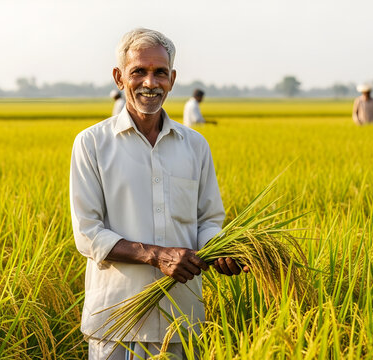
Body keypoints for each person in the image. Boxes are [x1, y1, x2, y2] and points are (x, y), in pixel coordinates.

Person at [70, 28, 247, 360]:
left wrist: (220, 249)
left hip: (182, 320)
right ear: (119, 78)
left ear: (172, 78)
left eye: (160, 73)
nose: (150, 83)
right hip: (116, 323)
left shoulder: (195, 145)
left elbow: (208, 220)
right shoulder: (92, 144)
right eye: (138, 71)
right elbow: (87, 234)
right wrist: (156, 255)